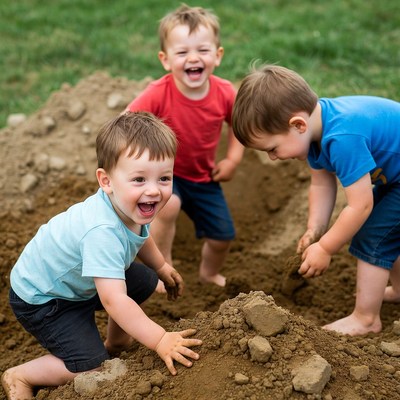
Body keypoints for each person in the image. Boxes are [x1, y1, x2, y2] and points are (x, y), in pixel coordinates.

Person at [1, 111, 202, 400]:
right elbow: (113, 300)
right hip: (44, 299)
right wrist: (160, 339)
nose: (154, 191)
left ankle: (116, 343)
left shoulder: (131, 205)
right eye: (139, 179)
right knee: (93, 368)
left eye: (164, 178)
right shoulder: (101, 232)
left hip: (76, 282)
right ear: (106, 181)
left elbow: (140, 236)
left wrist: (160, 266)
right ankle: (23, 375)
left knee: (143, 280)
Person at [232, 64, 400, 336]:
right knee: (387, 229)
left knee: (373, 236)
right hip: (393, 177)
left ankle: (366, 319)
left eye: (272, 149)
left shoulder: (342, 138)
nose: (273, 157)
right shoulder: (313, 132)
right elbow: (321, 184)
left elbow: (361, 205)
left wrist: (326, 248)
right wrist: (315, 231)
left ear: (297, 124)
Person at [126, 4, 244, 287]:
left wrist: (233, 160)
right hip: (166, 175)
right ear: (165, 60)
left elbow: (239, 126)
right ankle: (162, 267)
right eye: (182, 52)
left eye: (203, 50)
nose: (193, 58)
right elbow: (125, 123)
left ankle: (208, 273)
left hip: (204, 178)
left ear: (217, 55)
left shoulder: (226, 92)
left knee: (222, 236)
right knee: (169, 205)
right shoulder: (157, 93)